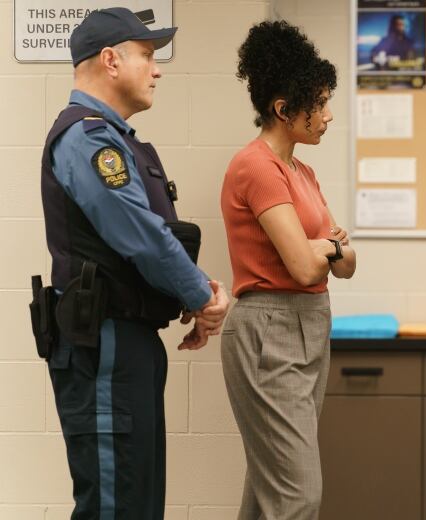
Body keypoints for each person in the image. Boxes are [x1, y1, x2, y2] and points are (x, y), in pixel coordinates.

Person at [38, 8, 229, 518]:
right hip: (104, 343)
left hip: (127, 341)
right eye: (146, 55)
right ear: (109, 60)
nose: (157, 68)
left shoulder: (115, 139)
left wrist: (194, 288)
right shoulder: (87, 138)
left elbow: (150, 238)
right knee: (115, 504)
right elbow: (139, 236)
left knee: (136, 501)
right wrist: (202, 296)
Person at [220, 20, 356, 520]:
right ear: (283, 109)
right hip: (269, 329)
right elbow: (302, 266)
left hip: (308, 327)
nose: (327, 115)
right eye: (318, 104)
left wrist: (326, 248)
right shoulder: (256, 167)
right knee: (298, 493)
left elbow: (345, 264)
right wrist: (327, 247)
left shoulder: (304, 172)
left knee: (269, 487)